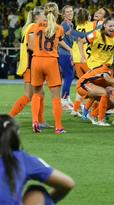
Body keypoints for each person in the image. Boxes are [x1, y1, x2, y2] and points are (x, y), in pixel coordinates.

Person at [28, 2, 72, 134]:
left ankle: (35, 121)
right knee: (56, 97)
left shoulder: (35, 26)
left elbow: (31, 45)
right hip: (51, 61)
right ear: (57, 12)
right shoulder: (59, 28)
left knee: (36, 93)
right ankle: (59, 127)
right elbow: (59, 40)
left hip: (36, 60)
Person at [9, 6, 49, 127]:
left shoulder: (30, 26)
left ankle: (39, 121)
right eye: (44, 15)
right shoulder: (33, 27)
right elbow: (31, 46)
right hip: (32, 64)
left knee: (35, 94)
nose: (46, 17)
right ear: (37, 16)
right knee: (34, 94)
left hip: (30, 64)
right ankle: (36, 121)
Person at [76, 60, 114, 126]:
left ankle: (92, 115)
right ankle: (100, 120)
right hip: (83, 84)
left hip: (93, 86)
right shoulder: (107, 69)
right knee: (104, 92)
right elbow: (108, 79)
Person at [59, 5, 87, 110]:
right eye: (67, 12)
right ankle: (63, 100)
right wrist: (70, 50)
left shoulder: (69, 24)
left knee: (69, 77)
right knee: (68, 77)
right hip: (64, 53)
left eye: (71, 11)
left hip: (66, 53)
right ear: (63, 14)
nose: (70, 13)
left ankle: (67, 98)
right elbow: (60, 40)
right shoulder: (64, 25)